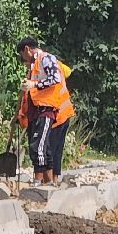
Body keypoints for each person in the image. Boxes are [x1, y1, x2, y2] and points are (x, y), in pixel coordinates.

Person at [16, 37, 74, 185]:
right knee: (44, 147)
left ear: (27, 49)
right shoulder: (34, 65)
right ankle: (48, 183)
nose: (24, 59)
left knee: (40, 146)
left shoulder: (46, 58)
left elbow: (55, 79)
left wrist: (34, 84)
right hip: (38, 111)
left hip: (48, 110)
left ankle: (40, 181)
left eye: (23, 55)